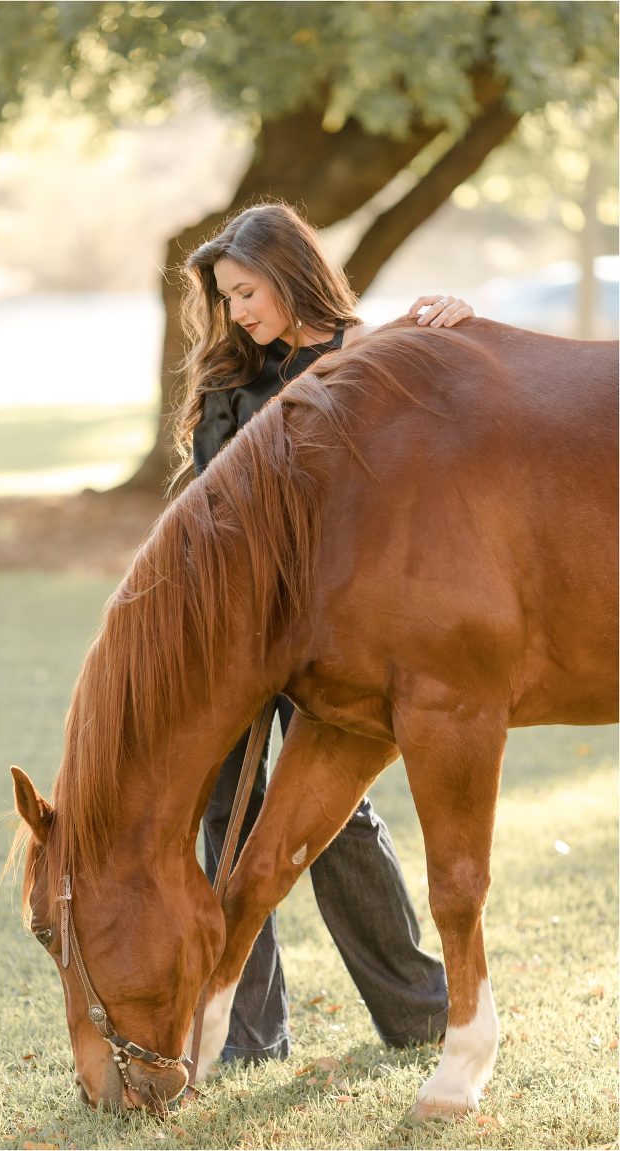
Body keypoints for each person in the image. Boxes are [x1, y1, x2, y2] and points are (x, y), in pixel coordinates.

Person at [173, 201, 474, 1065]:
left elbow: (473, 414)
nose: (236, 314)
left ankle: (418, 1012)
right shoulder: (230, 378)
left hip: (332, 636)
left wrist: (459, 317)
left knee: (336, 820)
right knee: (229, 813)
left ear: (290, 273)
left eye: (246, 292)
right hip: (232, 632)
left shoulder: (369, 356)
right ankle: (251, 1038)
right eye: (225, 298)